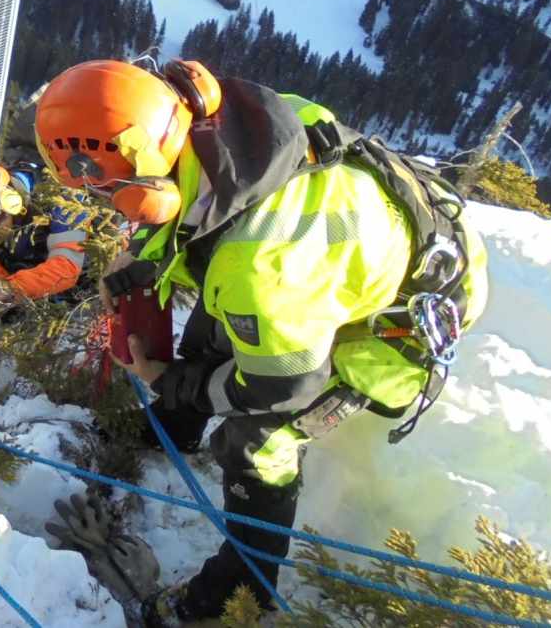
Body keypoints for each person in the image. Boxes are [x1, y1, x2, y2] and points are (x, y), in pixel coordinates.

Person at [32, 59, 488, 625]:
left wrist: (169, 380)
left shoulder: (258, 265)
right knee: (211, 328)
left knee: (258, 438)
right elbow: (200, 204)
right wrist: (138, 260)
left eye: (107, 191)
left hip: (395, 329)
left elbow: (280, 383)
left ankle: (240, 588)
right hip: (369, 257)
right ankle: (173, 425)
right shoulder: (227, 123)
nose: (105, 202)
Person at [0, 162, 90, 303]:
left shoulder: (67, 203)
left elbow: (67, 267)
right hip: (24, 276)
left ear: (11, 204)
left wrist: (13, 287)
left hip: (79, 290)